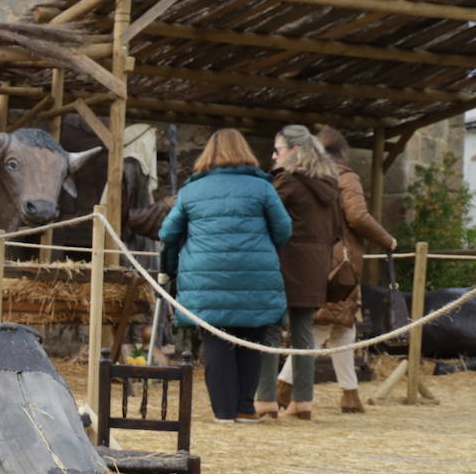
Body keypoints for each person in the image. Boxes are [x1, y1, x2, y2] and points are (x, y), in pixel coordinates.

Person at [159, 129, 292, 424]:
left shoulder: (192, 191)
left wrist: (168, 269)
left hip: (206, 278)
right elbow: (284, 230)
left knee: (217, 340)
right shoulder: (263, 188)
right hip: (255, 275)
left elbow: (168, 233)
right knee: (251, 337)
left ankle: (223, 412)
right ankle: (245, 407)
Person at [278, 126, 396, 414]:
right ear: (342, 153)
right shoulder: (344, 176)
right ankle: (283, 387)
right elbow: (357, 215)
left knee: (342, 325)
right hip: (340, 261)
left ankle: (350, 393)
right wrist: (387, 239)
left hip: (315, 257)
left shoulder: (309, 177)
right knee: (319, 327)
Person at [253, 125, 341, 420]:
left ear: (294, 151)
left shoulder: (287, 181)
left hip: (283, 262)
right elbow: (338, 231)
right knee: (303, 332)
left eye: (277, 150)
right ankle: (303, 401)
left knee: (269, 328)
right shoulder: (330, 184)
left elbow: (264, 217)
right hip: (316, 265)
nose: (273, 156)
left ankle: (265, 400)